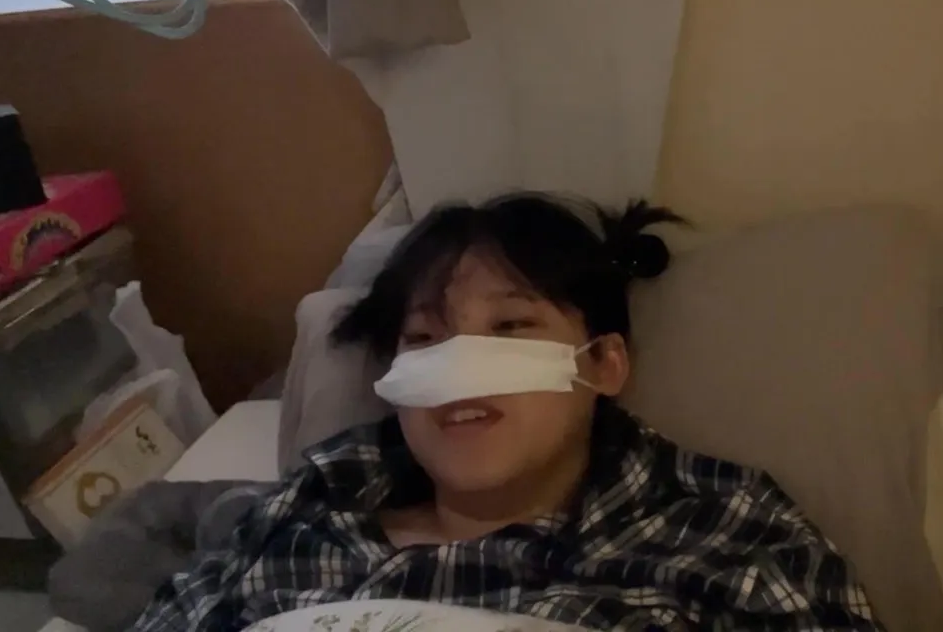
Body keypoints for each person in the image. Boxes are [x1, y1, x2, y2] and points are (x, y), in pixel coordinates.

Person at [132, 193, 882, 631]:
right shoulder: (304, 512)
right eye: (424, 339)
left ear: (603, 363)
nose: (460, 368)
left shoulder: (722, 531)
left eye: (511, 327)